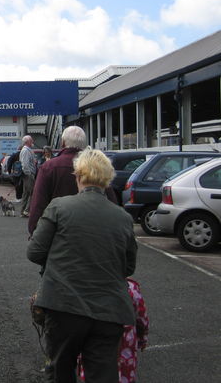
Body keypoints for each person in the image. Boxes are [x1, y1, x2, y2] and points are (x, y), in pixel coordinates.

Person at [27, 148, 138, 383]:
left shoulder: (59, 207)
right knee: (103, 374)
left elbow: (34, 251)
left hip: (63, 304)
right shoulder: (123, 217)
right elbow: (128, 268)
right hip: (109, 310)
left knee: (60, 371)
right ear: (107, 180)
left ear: (78, 176)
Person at [27, 126, 117, 235]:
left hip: (57, 233)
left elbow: (38, 204)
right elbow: (111, 202)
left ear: (63, 143)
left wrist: (34, 231)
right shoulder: (96, 167)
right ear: (84, 145)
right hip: (93, 234)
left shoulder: (48, 167)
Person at [78, 277, 149, 383]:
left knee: (94, 372)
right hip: (125, 344)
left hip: (93, 340)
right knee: (124, 373)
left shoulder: (87, 286)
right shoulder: (130, 287)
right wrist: (142, 338)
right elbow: (141, 317)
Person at [19, 135, 37, 217]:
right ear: (27, 142)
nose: (32, 141)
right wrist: (29, 173)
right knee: (32, 193)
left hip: (27, 174)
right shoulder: (26, 151)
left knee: (26, 193)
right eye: (31, 140)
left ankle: (23, 211)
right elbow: (25, 164)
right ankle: (27, 210)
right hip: (28, 175)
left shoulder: (28, 150)